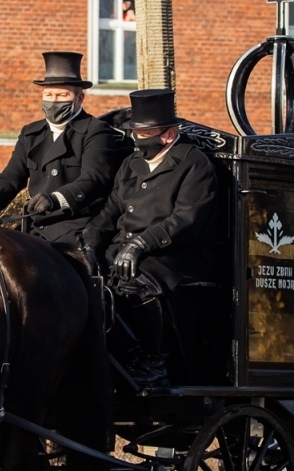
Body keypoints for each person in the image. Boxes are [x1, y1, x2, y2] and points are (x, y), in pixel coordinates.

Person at [89, 87, 219, 386]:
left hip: (176, 255)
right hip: (125, 250)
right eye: (135, 132)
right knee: (89, 281)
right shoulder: (130, 164)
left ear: (169, 134)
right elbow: (111, 211)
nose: (138, 138)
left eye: (145, 132)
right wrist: (90, 240)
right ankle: (113, 355)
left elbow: (187, 218)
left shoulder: (194, 163)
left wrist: (140, 244)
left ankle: (154, 359)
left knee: (136, 282)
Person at [0, 52, 123, 249]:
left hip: (76, 226)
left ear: (79, 98)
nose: (54, 101)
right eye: (48, 95)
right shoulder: (31, 133)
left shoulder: (96, 131)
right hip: (34, 225)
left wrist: (55, 199)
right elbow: (11, 176)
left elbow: (94, 179)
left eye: (62, 95)